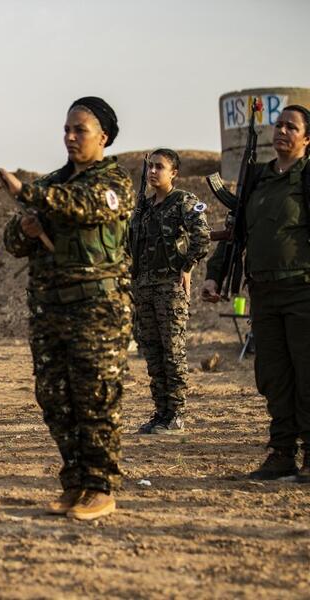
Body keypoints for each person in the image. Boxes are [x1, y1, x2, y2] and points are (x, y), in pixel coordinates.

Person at [0, 96, 134, 521]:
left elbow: (88, 207)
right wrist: (26, 226)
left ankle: (100, 486)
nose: (71, 137)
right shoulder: (53, 183)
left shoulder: (114, 182)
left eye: (80, 130)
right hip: (50, 310)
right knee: (55, 399)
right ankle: (74, 481)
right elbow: (11, 243)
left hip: (97, 310)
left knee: (95, 397)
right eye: (67, 130)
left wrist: (28, 192)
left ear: (104, 137)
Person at [202, 104, 310, 481]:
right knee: (273, 374)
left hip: (302, 290)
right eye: (278, 125)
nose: (281, 131)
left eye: (291, 127)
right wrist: (215, 276)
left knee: (306, 372)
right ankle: (281, 453)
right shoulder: (258, 179)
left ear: (306, 138)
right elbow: (236, 234)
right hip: (263, 291)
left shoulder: (306, 177)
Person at [129, 149, 210, 434]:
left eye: (159, 167)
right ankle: (161, 412)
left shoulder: (183, 202)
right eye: (150, 167)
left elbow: (202, 237)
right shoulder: (144, 206)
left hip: (169, 288)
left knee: (172, 352)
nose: (153, 172)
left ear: (173, 172)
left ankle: (176, 414)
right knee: (152, 353)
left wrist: (187, 267)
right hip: (144, 288)